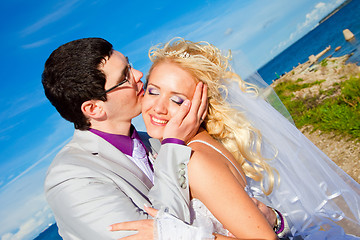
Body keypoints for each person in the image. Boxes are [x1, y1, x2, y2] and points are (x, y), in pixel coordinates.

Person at [111, 38, 360, 239]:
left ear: (202, 106)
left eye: (177, 99)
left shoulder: (195, 160)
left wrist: (181, 235)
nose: (159, 108)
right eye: (153, 91)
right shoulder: (207, 144)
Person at [42, 37, 278, 240]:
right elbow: (165, 231)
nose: (138, 74)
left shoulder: (158, 139)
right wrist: (173, 146)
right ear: (94, 109)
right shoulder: (71, 178)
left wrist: (274, 219)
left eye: (130, 65)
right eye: (125, 77)